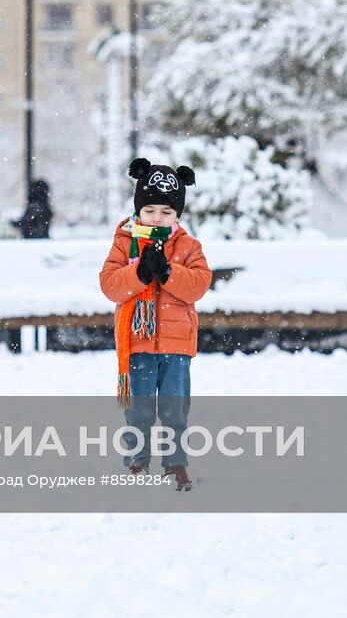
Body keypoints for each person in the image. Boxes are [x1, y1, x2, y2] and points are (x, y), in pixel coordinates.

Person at [100, 158, 212, 492]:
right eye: (150, 210)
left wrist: (167, 272)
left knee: (175, 410)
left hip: (177, 346)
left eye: (166, 211)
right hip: (138, 342)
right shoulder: (125, 243)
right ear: (138, 210)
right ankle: (137, 461)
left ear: (177, 214)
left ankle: (176, 463)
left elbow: (200, 284)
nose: (157, 218)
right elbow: (109, 284)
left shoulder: (189, 247)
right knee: (140, 409)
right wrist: (140, 273)